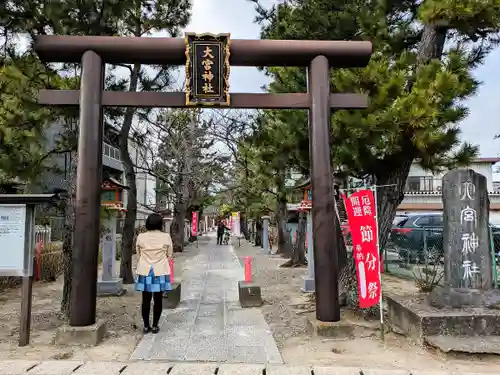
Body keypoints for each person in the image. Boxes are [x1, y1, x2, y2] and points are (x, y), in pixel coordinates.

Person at [135, 213, 173, 334]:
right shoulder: (166, 237)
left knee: (145, 300)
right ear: (161, 224)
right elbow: (169, 254)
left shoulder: (141, 237)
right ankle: (155, 325)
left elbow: (138, 253)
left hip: (145, 270)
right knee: (158, 299)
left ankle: (146, 326)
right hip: (160, 270)